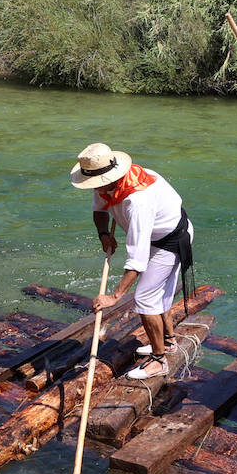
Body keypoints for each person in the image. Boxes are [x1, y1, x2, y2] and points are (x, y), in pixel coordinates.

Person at [70, 142, 195, 380]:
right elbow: (99, 211)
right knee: (156, 293)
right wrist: (104, 234)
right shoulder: (107, 184)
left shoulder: (137, 201)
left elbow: (137, 261)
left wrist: (114, 297)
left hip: (170, 240)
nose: (94, 189)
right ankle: (168, 342)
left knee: (145, 298)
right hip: (155, 235)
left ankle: (159, 360)